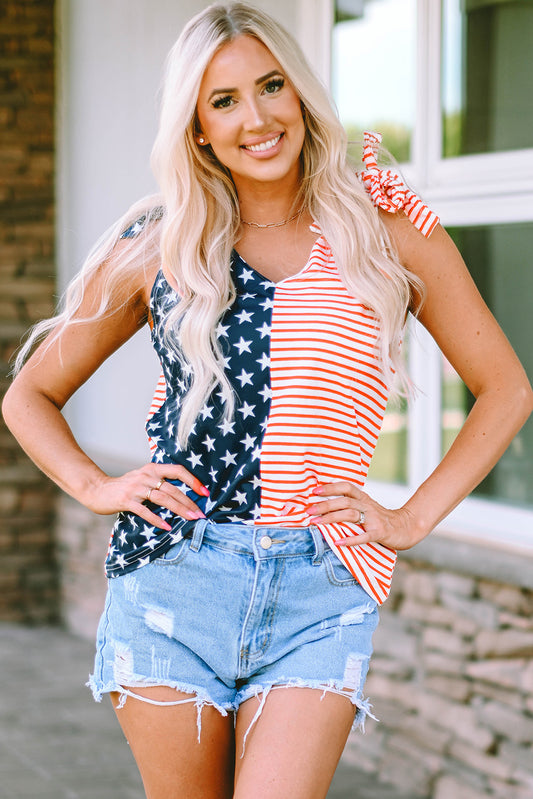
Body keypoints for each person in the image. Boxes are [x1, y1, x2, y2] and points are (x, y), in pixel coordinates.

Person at [3, 3, 532, 798]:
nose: (256, 117)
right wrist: (97, 485)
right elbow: (30, 393)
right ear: (197, 129)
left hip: (321, 587)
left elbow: (505, 388)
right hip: (174, 575)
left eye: (270, 85)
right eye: (223, 101)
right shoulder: (160, 241)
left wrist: (410, 518)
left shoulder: (382, 221)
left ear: (300, 92)